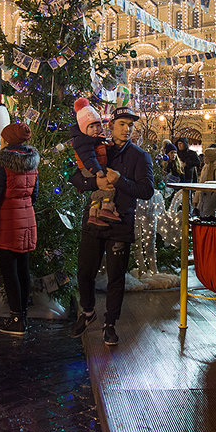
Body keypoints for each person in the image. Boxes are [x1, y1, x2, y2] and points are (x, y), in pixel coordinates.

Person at [69, 106, 154, 347]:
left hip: (120, 221)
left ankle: (110, 324)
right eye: (122, 124)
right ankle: (87, 312)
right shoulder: (98, 147)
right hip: (94, 219)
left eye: (130, 125)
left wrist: (122, 181)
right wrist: (92, 180)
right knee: (84, 272)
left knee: (116, 277)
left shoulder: (140, 156)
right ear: (111, 126)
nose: (127, 129)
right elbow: (75, 176)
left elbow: (146, 191)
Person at [0, 122, 39, 335]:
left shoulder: (1, 164)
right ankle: (23, 316)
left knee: (9, 271)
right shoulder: (32, 161)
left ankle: (16, 319)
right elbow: (34, 195)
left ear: (7, 140)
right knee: (23, 269)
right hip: (26, 219)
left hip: (6, 220)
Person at [70, 97, 120, 227]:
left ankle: (94, 214)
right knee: (109, 186)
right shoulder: (83, 141)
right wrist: (97, 171)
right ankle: (106, 209)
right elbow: (89, 158)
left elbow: (97, 148)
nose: (96, 129)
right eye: (91, 126)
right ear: (83, 129)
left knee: (97, 193)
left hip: (94, 168)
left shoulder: (91, 139)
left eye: (97, 125)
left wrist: (106, 144)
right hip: (91, 169)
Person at [194, 146, 216, 218]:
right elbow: (201, 184)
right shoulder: (205, 169)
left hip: (210, 200)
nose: (204, 158)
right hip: (203, 198)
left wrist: (212, 201)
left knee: (209, 217)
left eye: (206, 156)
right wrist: (196, 198)